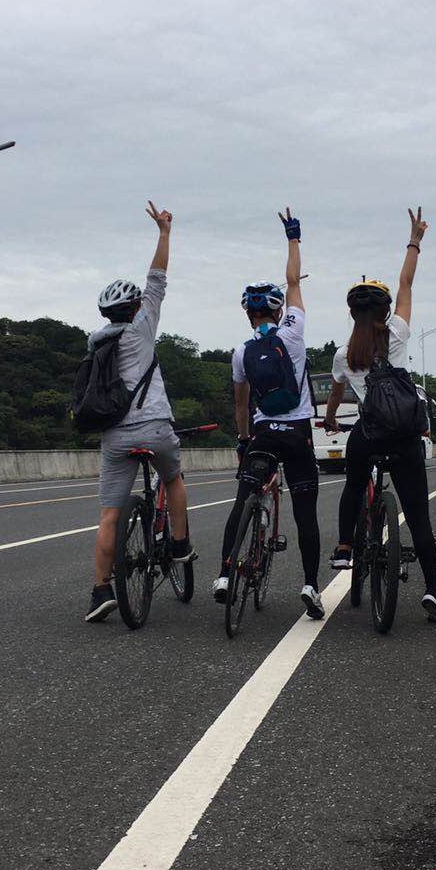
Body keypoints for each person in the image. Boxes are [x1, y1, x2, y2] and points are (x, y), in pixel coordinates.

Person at [325, 207, 436, 622]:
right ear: (384, 312)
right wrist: (415, 240)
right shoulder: (398, 333)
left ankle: (344, 547)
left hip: (370, 435)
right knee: (418, 517)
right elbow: (406, 282)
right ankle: (433, 591)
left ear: (352, 315)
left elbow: (336, 394)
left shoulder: (343, 355)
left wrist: (329, 420)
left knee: (353, 486)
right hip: (406, 437)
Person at [85, 201, 196, 622]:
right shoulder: (142, 328)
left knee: (109, 515)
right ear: (134, 309)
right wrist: (164, 232)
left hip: (114, 434)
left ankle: (101, 590)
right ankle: (179, 544)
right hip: (154, 428)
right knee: (173, 478)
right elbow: (157, 278)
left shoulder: (95, 342)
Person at [213, 207, 324, 620]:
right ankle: (310, 585)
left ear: (248, 314)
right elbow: (293, 280)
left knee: (243, 499)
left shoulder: (241, 352)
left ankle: (225, 574)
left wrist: (244, 440)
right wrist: (293, 236)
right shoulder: (293, 332)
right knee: (305, 513)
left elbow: (241, 404)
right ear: (278, 312)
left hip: (263, 435)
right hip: (297, 433)